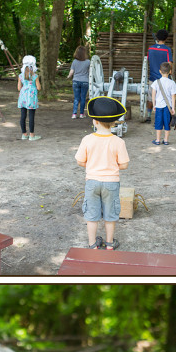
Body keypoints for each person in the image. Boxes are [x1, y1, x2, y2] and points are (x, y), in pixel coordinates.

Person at [76, 96, 129, 251]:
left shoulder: (87, 139)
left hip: (92, 182)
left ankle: (92, 244)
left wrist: (92, 165)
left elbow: (80, 161)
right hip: (111, 183)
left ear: (95, 121)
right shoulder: (118, 142)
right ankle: (110, 243)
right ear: (113, 123)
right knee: (110, 214)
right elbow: (124, 165)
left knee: (91, 215)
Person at [146, 29, 173, 123]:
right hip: (164, 78)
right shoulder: (167, 50)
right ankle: (160, 119)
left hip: (152, 78)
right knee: (163, 99)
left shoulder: (150, 49)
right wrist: (171, 71)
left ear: (157, 37)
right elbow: (169, 63)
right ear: (166, 38)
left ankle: (149, 116)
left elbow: (148, 61)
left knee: (150, 97)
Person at [151, 61, 176, 145]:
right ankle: (166, 140)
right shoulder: (172, 83)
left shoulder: (156, 82)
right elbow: (173, 97)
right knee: (167, 123)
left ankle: (158, 140)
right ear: (170, 71)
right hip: (168, 107)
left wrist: (153, 104)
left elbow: (153, 95)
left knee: (158, 122)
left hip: (158, 106)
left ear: (160, 71)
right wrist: (173, 108)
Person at [18, 55, 41, 140]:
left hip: (23, 97)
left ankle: (24, 134)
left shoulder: (20, 76)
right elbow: (39, 88)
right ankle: (32, 135)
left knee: (23, 115)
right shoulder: (35, 76)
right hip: (31, 98)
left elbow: (18, 88)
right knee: (31, 116)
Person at [68, 46, 91, 119]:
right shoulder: (88, 62)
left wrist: (68, 76)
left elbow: (71, 72)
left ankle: (74, 114)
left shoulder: (74, 61)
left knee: (76, 98)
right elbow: (90, 72)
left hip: (76, 81)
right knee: (83, 98)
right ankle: (81, 114)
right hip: (85, 81)